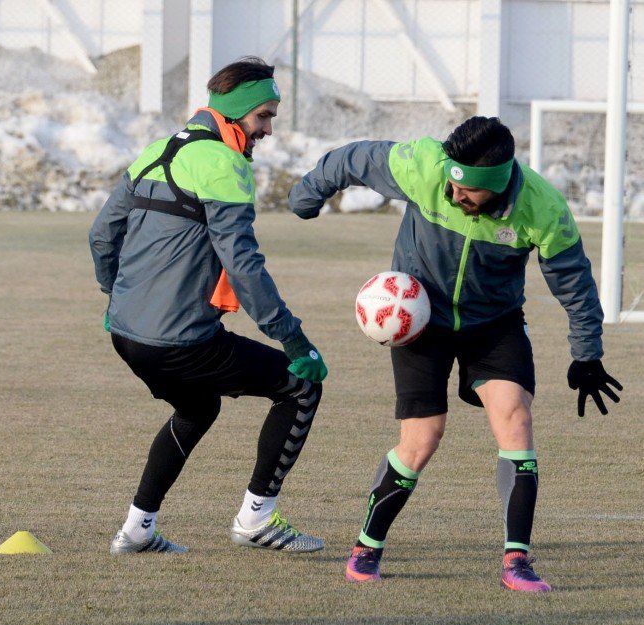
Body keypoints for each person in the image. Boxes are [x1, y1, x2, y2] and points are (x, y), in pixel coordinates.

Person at [288, 116, 622, 591]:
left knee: (515, 420)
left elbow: (574, 282)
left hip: (494, 325)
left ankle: (516, 562)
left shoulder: (541, 208)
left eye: (469, 192)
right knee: (422, 439)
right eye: (451, 181)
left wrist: (587, 353)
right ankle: (367, 546)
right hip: (420, 322)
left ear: (499, 183)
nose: (455, 193)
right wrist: (309, 192)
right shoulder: (425, 165)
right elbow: (351, 159)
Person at [89, 56, 328, 555]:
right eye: (263, 116)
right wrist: (292, 337)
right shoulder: (224, 164)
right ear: (237, 112)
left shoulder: (155, 151)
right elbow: (243, 264)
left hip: (126, 336)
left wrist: (116, 298)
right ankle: (257, 519)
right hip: (181, 342)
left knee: (197, 406)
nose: (267, 128)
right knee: (301, 386)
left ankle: (136, 530)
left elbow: (101, 234)